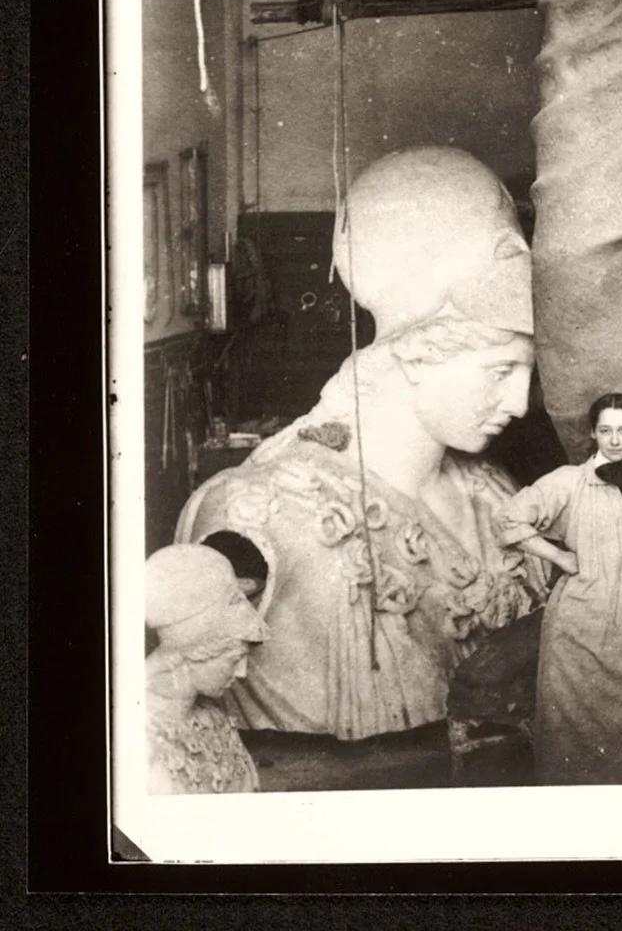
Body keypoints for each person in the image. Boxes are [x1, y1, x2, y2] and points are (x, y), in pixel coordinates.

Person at [176, 147, 548, 742]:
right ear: (418, 353)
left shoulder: (492, 492)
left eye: (528, 373)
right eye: (501, 370)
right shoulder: (261, 514)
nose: (520, 403)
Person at [497, 393, 622, 784]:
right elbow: (509, 519)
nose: (615, 441)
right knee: (579, 738)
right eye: (606, 431)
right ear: (592, 433)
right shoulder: (570, 481)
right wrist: (559, 556)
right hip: (581, 627)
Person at [144, 542, 269, 794]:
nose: (241, 672)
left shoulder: (212, 718)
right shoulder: (143, 738)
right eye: (234, 659)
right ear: (198, 648)